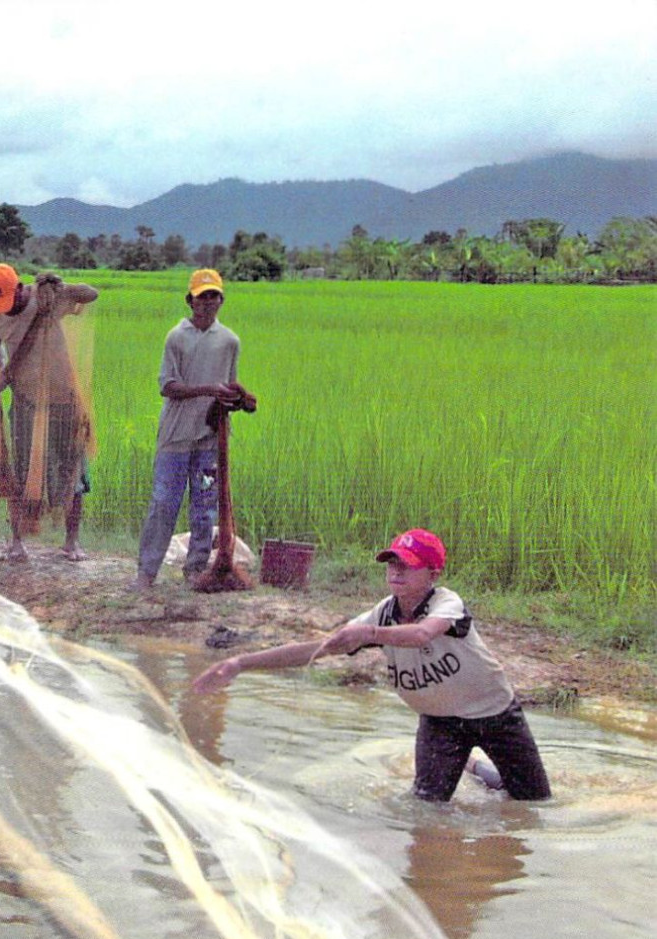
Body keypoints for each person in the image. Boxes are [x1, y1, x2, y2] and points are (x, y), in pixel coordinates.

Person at [191, 529, 552, 803]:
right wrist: (240, 662)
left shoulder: (447, 603)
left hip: (495, 715)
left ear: (433, 573)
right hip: (440, 724)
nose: (396, 573)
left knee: (534, 804)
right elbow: (319, 648)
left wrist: (371, 633)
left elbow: (424, 634)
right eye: (392, 564)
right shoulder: (383, 612)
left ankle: (481, 769)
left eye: (408, 566)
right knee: (426, 809)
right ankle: (469, 765)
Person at [134, 268, 247, 589]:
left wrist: (236, 399)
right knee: (164, 503)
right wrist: (210, 388)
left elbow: (230, 385)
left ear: (222, 300)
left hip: (209, 438)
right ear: (190, 301)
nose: (209, 302)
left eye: (214, 296)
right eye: (202, 297)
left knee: (204, 508)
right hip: (176, 436)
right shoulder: (177, 337)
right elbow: (168, 386)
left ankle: (197, 571)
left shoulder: (229, 341)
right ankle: (147, 573)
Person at [0, 263, 98, 562]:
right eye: (1, 303)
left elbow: (92, 294)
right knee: (19, 471)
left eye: (11, 300)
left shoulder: (45, 299)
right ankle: (17, 541)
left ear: (21, 287)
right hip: (25, 401)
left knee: (71, 469)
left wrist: (61, 287)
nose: (7, 309)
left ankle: (71, 542)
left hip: (64, 400)